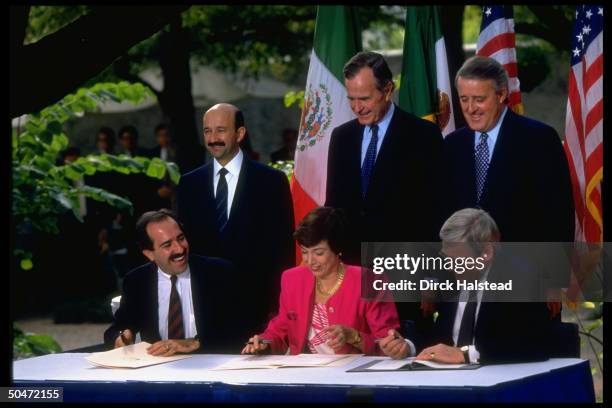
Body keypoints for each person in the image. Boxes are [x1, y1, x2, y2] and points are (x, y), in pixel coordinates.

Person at [441, 56, 575, 318]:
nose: (471, 108)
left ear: (502, 95)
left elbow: (557, 215)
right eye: (464, 99)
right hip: (464, 285)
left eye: (479, 99)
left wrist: (553, 281)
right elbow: (442, 211)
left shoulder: (539, 139)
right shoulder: (452, 145)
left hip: (526, 282)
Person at [177, 103, 295, 341]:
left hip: (257, 311)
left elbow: (283, 251)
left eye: (220, 130)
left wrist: (278, 308)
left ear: (240, 133)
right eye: (208, 131)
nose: (213, 138)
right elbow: (186, 248)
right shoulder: (189, 184)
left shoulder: (271, 182)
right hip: (204, 312)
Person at [379, 208, 552, 364]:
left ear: (486, 253)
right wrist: (407, 346)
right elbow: (439, 335)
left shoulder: (523, 279)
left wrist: (467, 354)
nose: (450, 266)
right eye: (447, 258)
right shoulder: (449, 278)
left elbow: (533, 343)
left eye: (458, 260)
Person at [325, 51, 443, 267]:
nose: (356, 107)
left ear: (388, 90)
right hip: (352, 269)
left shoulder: (423, 135)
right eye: (351, 99)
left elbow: (433, 212)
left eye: (364, 98)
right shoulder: (342, 137)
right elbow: (334, 205)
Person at [242, 207, 404, 356]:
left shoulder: (370, 280)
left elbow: (388, 343)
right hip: (304, 377)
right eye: (305, 252)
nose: (310, 261)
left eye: (318, 252)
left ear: (337, 248)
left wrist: (354, 337)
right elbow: (280, 331)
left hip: (352, 379)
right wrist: (264, 342)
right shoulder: (292, 279)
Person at [104, 209, 240, 355]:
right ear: (149, 254)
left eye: (181, 238)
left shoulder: (219, 272)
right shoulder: (137, 281)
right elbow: (117, 329)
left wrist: (195, 342)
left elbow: (241, 329)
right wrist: (120, 338)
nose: (179, 248)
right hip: (159, 369)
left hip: (213, 365)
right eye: (167, 245)